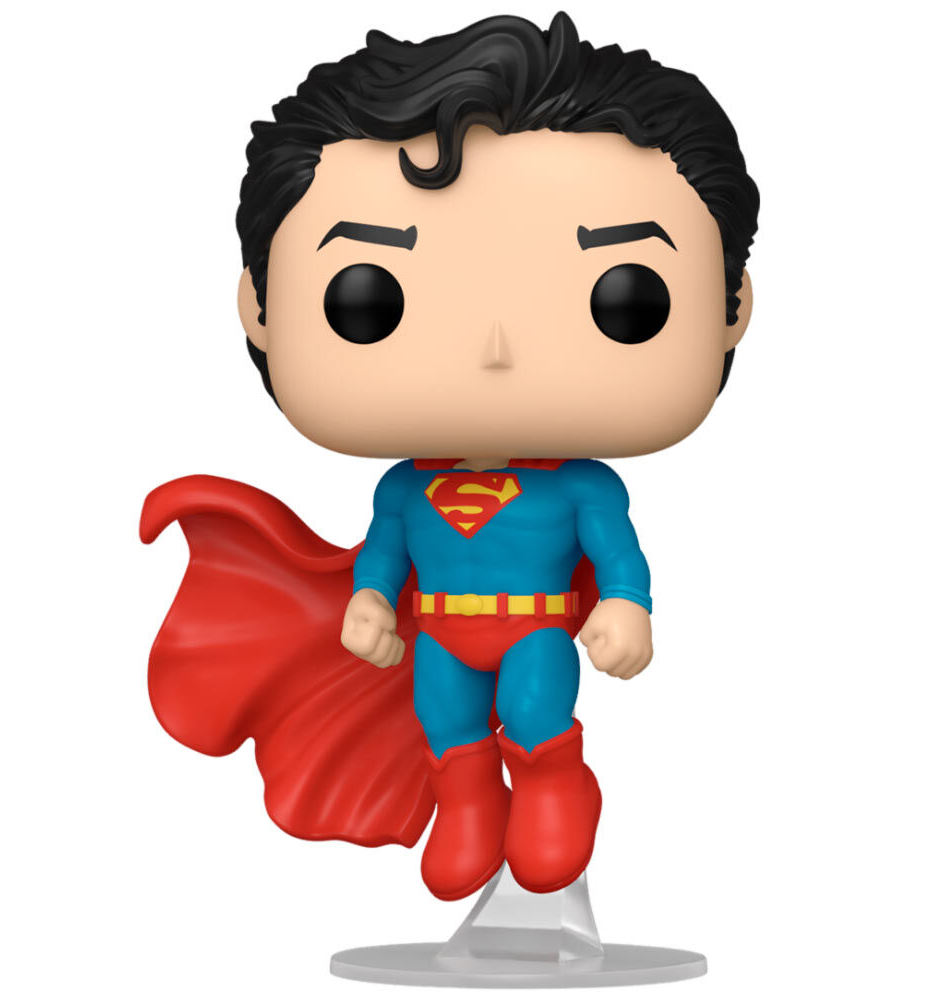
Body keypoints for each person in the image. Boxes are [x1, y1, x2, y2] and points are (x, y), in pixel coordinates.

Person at [143, 10, 759, 903]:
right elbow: (386, 554)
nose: (495, 350)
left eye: (625, 299)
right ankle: (466, 805)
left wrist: (628, 606)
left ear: (730, 307)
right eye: (367, 298)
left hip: (536, 627)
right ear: (260, 308)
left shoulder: (582, 486)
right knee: (449, 727)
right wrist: (367, 600)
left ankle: (552, 786)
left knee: (535, 715)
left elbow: (618, 556)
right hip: (438, 633)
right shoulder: (404, 488)